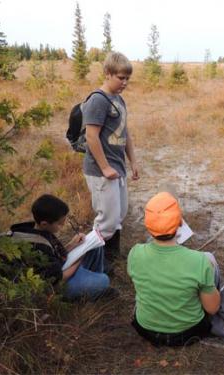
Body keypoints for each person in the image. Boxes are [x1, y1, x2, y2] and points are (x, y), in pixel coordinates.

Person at [127, 192, 221, 346]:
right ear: (180, 223)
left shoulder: (135, 253)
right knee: (210, 259)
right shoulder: (200, 260)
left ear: (148, 225)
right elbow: (213, 308)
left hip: (146, 329)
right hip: (188, 332)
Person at [83, 51, 139, 263]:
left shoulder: (119, 100)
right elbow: (91, 136)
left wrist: (133, 161)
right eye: (120, 78)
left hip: (117, 168)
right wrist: (105, 167)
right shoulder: (98, 100)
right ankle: (92, 262)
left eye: (127, 79)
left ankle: (111, 256)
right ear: (107, 73)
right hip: (100, 171)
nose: (124, 82)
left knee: (119, 215)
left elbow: (125, 133)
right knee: (106, 221)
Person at [10, 194, 111, 301]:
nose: (62, 226)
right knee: (104, 280)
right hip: (57, 286)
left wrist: (72, 244)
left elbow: (54, 254)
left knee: (95, 247)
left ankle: (91, 279)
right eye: (59, 223)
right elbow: (59, 280)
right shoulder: (37, 247)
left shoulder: (35, 229)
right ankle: (94, 288)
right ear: (44, 224)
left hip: (60, 267)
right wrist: (80, 257)